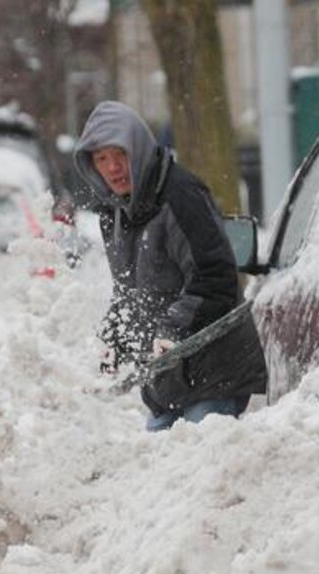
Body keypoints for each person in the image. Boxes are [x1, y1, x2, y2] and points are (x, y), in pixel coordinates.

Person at [74, 101, 267, 431]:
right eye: (101, 158)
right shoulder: (115, 213)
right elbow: (132, 291)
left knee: (199, 470)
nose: (113, 168)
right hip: (167, 385)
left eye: (119, 154)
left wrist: (172, 330)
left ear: (137, 148)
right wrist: (114, 339)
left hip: (214, 376)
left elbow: (215, 277)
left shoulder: (180, 196)